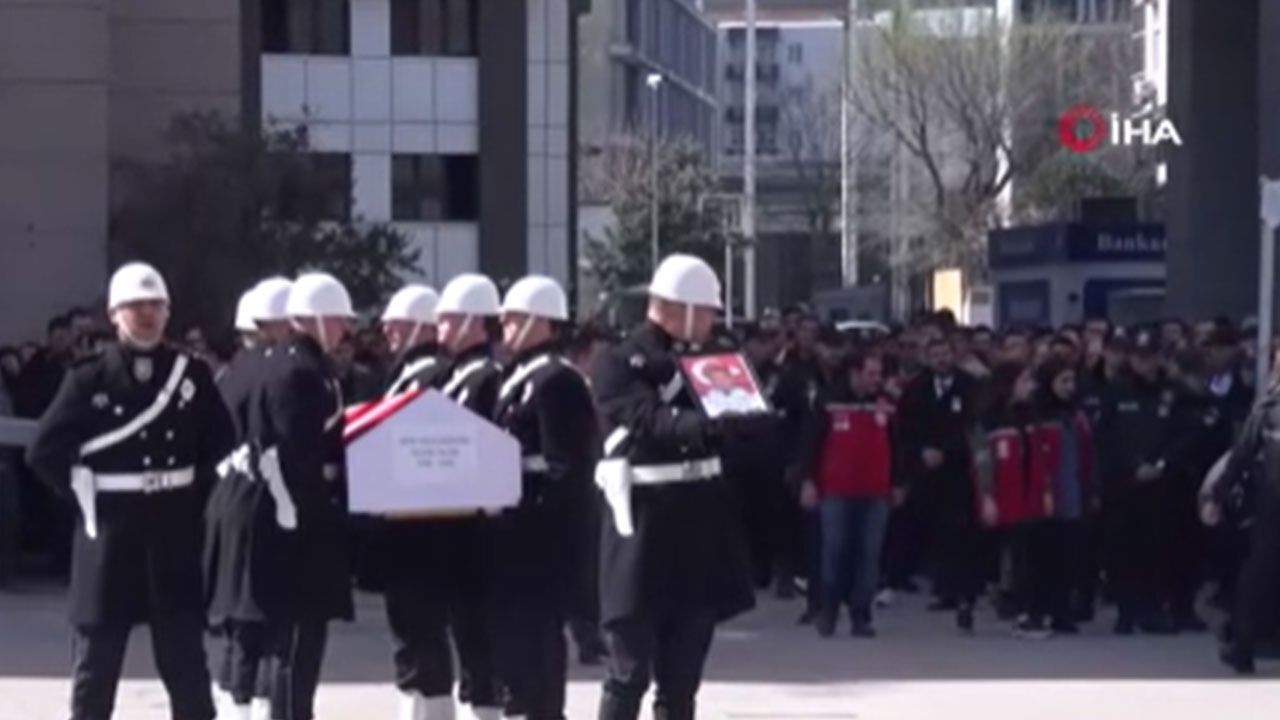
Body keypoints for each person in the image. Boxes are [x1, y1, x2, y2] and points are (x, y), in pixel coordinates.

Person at [25, 262, 235, 720]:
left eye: (155, 306)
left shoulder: (190, 375)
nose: (147, 315)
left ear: (168, 313)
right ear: (115, 315)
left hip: (171, 537)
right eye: (136, 307)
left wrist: (191, 501)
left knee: (186, 669)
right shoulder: (88, 378)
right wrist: (82, 493)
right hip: (110, 538)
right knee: (96, 670)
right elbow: (43, 450)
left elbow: (221, 444)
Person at [592, 254, 755, 720]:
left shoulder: (714, 358)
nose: (710, 322)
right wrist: (704, 426)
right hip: (643, 528)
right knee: (628, 675)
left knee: (681, 683)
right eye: (704, 312)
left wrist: (749, 424)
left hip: (699, 527)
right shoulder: (619, 361)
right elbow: (646, 419)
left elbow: (743, 419)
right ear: (674, 308)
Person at [488, 275, 599, 719]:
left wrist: (535, 524)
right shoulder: (520, 377)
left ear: (541, 321)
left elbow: (566, 468)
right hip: (513, 531)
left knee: (537, 652)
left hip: (538, 537)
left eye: (514, 319)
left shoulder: (558, 381)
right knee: (515, 651)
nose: (505, 326)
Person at [250, 272, 357, 720]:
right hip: (299, 525)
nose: (344, 330)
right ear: (315, 318)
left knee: (302, 644)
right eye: (338, 319)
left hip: (307, 518)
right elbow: (297, 455)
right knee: (296, 646)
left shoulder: (305, 366)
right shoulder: (297, 372)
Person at [404, 273, 505, 720]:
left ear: (473, 323)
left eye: (447, 319)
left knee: (478, 640)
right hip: (448, 527)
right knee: (460, 634)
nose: (439, 327)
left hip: (476, 531)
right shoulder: (454, 376)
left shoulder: (487, 378)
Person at [205, 277, 295, 720]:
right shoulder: (273, 372)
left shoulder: (233, 373)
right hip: (262, 497)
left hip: (227, 500)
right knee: (262, 624)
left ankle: (233, 707)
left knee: (236, 625)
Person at [799, 351, 898, 638]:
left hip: (876, 491)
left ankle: (861, 614)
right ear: (854, 373)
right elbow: (811, 442)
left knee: (869, 555)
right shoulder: (829, 400)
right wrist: (808, 480)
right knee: (834, 551)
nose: (876, 380)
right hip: (835, 490)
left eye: (879, 374)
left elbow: (899, 444)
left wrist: (899, 483)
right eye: (871, 374)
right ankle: (828, 610)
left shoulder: (887, 404)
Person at [1097, 330, 1179, 635]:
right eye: (1140, 357)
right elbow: (1106, 437)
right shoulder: (1115, 391)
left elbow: (1180, 433)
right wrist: (1131, 466)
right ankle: (1126, 610)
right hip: (1124, 482)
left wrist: (1161, 463)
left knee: (1156, 546)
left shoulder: (1171, 392)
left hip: (1160, 480)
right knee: (1122, 547)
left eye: (1150, 357)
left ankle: (1153, 609)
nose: (1145, 363)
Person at [898, 337, 981, 631]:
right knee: (934, 528)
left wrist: (947, 450)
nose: (941, 359)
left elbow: (972, 425)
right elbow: (906, 426)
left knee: (960, 530)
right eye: (935, 355)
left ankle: (964, 590)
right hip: (926, 469)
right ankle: (942, 586)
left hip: (959, 469)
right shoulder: (916, 389)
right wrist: (922, 451)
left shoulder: (970, 386)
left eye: (946, 353)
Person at [1035, 359, 1096, 635]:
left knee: (1069, 555)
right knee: (1045, 554)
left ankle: (1063, 609)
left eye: (1072, 381)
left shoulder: (1078, 415)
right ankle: (1042, 607)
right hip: (1046, 492)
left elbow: (1089, 453)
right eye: (1063, 381)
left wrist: (1091, 488)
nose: (1069, 387)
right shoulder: (1039, 414)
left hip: (1073, 490)